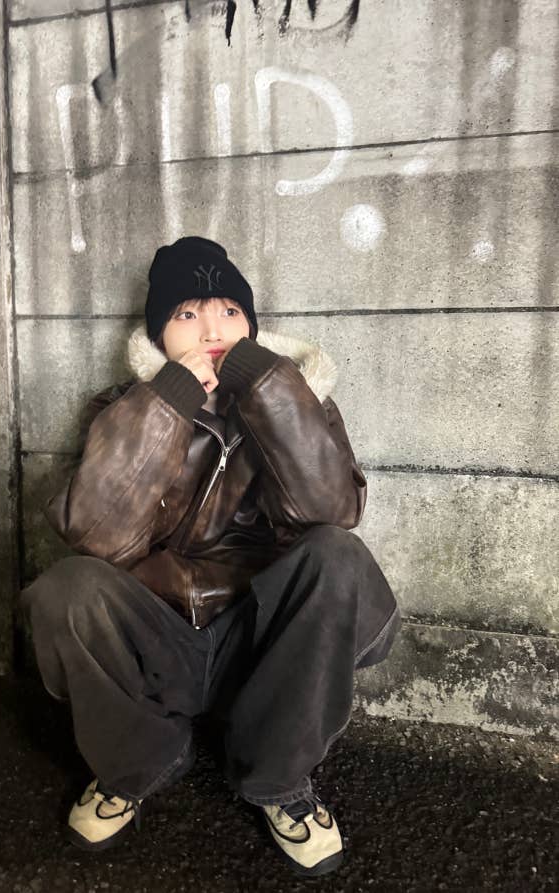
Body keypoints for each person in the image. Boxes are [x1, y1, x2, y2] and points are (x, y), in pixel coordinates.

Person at [21, 236, 400, 877]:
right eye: (187, 314)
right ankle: (136, 767)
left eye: (229, 311)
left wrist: (271, 393)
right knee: (66, 588)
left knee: (338, 555)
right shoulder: (119, 409)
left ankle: (278, 781)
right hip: (159, 638)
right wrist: (167, 403)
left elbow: (330, 515)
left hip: (259, 640)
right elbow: (95, 536)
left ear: (251, 324)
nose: (211, 330)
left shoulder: (303, 400)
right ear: (159, 334)